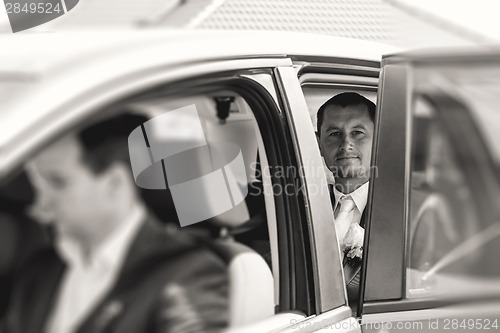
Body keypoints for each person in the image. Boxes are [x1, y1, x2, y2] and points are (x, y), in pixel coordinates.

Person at [5, 114, 228, 333]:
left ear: (115, 183)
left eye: (57, 182)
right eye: (37, 185)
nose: (41, 205)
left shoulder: (186, 272)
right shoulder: (40, 270)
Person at [316, 92, 375, 305]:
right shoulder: (299, 207)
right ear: (318, 143)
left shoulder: (406, 210)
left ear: (380, 139)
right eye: (334, 134)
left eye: (358, 132)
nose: (346, 144)